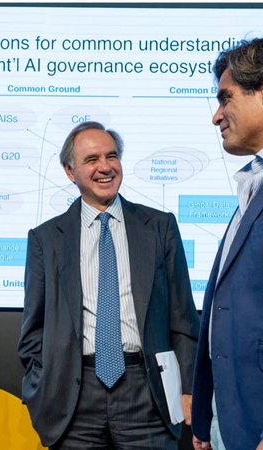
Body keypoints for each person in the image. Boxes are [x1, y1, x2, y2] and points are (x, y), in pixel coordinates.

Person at [18, 120, 200, 449]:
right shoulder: (46, 239)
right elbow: (33, 331)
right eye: (91, 160)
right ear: (70, 171)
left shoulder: (160, 227)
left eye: (111, 156)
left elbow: (183, 319)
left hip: (147, 393)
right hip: (73, 397)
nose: (105, 167)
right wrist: (41, 389)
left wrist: (187, 388)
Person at [191, 38, 263, 450]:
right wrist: (208, 414)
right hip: (230, 421)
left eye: (226, 98)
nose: (216, 116)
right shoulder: (251, 183)